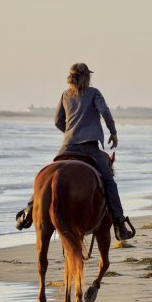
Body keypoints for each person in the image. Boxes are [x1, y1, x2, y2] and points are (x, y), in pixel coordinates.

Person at [15, 63, 135, 240]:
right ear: (87, 77)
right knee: (109, 182)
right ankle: (119, 223)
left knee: (47, 176)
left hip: (67, 146)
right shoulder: (94, 93)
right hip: (90, 147)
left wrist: (71, 133)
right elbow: (104, 111)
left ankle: (28, 211)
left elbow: (57, 121)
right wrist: (113, 132)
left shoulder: (65, 95)